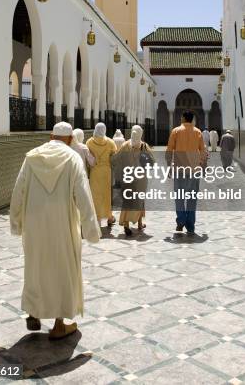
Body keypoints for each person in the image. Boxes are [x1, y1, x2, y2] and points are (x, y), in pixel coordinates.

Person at [9, 121, 101, 339]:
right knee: (62, 269)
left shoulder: (32, 157)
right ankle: (59, 324)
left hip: (34, 224)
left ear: (51, 136)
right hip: (62, 224)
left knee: (36, 266)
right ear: (70, 139)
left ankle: (33, 312)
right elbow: (83, 196)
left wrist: (16, 222)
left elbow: (18, 191)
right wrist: (91, 231)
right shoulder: (72, 159)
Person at [166, 110, 205, 235]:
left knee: (179, 196)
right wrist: (203, 166)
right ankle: (190, 225)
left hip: (180, 169)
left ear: (183, 118)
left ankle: (181, 220)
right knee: (192, 198)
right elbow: (203, 151)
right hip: (194, 170)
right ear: (192, 119)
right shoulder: (198, 132)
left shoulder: (176, 131)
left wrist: (168, 166)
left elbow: (169, 150)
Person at [113, 125, 155, 236]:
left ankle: (126, 224)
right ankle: (139, 224)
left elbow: (116, 159)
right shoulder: (144, 146)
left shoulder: (125, 145)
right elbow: (153, 161)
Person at [86, 122, 117, 225]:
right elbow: (114, 156)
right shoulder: (110, 142)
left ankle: (97, 218)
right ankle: (109, 217)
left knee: (95, 195)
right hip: (106, 171)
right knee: (106, 195)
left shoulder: (89, 142)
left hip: (95, 171)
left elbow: (88, 158)